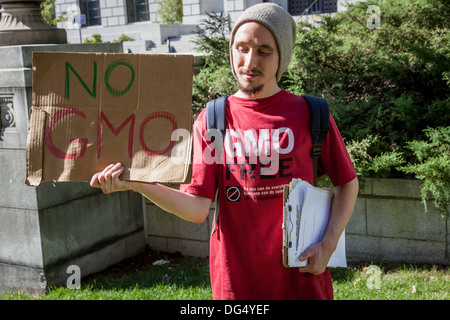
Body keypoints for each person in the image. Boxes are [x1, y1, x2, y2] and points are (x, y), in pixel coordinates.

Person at [90, 3, 359, 300]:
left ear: (282, 56)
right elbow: (196, 208)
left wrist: (328, 244)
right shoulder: (213, 118)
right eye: (241, 48)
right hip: (236, 284)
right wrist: (138, 184)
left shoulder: (310, 113)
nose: (249, 61)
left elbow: (347, 182)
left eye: (264, 51)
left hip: (303, 281)